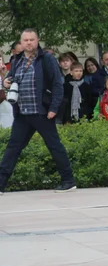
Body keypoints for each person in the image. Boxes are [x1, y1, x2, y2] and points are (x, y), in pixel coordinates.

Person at [0, 29, 76, 194]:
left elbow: (57, 83)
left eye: (31, 40)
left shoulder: (46, 59)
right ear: (21, 42)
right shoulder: (17, 60)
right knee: (13, 147)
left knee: (54, 146)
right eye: (25, 40)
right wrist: (6, 82)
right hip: (22, 113)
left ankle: (68, 181)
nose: (28, 43)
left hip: (42, 112)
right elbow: (11, 80)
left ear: (37, 40)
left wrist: (54, 108)